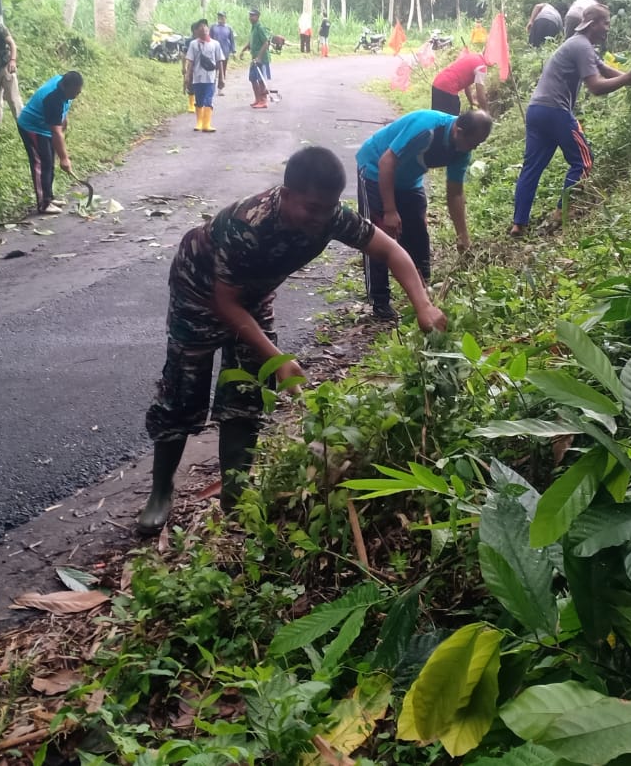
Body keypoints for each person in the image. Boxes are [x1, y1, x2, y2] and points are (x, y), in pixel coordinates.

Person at [139, 147, 448, 530]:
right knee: (184, 391)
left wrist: (423, 305)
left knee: (250, 387)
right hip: (200, 290)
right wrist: (280, 358)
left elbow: (390, 249)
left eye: (328, 207)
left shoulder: (328, 215)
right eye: (312, 207)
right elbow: (226, 303)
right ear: (286, 195)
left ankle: (236, 498)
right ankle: (161, 491)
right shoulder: (248, 224)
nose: (320, 218)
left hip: (251, 293)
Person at [511, 4, 631, 237]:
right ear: (593, 24)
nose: (608, 29)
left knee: (531, 168)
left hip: (537, 110)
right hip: (555, 111)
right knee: (583, 161)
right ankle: (563, 211)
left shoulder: (578, 43)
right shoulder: (582, 46)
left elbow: (604, 69)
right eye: (606, 23)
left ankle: (518, 224)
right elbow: (596, 86)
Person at [355, 110, 492, 320]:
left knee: (418, 233)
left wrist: (462, 235)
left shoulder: (461, 151)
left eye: (479, 144)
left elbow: (455, 193)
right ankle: (380, 302)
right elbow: (386, 162)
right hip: (375, 170)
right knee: (378, 234)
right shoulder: (426, 128)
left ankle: (423, 294)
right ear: (459, 131)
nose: (474, 148)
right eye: (473, 142)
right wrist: (390, 210)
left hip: (409, 181)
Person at [16, 71, 84, 215]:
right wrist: (64, 158)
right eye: (75, 92)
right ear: (66, 87)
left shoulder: (63, 83)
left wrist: (64, 118)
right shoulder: (52, 99)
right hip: (32, 127)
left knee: (49, 162)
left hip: (45, 126)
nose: (78, 94)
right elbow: (56, 133)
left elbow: (63, 108)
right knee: (41, 164)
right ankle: (43, 204)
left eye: (79, 91)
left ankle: (49, 197)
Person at [184, 19, 225, 133]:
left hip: (210, 78)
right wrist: (187, 76)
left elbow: (219, 61)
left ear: (208, 29)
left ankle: (206, 124)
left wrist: (221, 78)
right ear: (196, 31)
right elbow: (190, 62)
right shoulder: (193, 44)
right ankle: (199, 123)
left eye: (205, 26)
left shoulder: (215, 44)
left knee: (208, 99)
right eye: (200, 27)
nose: (204, 29)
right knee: (199, 100)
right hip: (197, 78)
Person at [430, 50, 491, 115]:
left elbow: (466, 85)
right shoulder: (481, 67)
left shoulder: (473, 56)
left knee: (437, 117)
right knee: (451, 120)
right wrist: (486, 113)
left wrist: (471, 101)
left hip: (437, 83)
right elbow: (480, 95)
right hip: (447, 88)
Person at [240, 8, 273, 109]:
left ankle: (263, 101)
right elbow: (251, 41)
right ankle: (257, 99)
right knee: (253, 78)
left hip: (262, 59)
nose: (250, 18)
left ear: (257, 17)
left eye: (253, 16)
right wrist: (243, 50)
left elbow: (266, 43)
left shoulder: (260, 28)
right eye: (250, 15)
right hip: (254, 58)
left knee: (261, 79)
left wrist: (259, 57)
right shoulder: (253, 28)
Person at [209, 12, 236, 92]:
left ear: (225, 18)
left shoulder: (229, 28)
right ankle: (212, 88)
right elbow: (209, 38)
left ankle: (220, 88)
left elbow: (232, 40)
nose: (220, 18)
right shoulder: (213, 27)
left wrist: (233, 51)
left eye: (222, 17)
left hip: (225, 52)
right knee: (213, 70)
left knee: (222, 70)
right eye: (219, 17)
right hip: (214, 52)